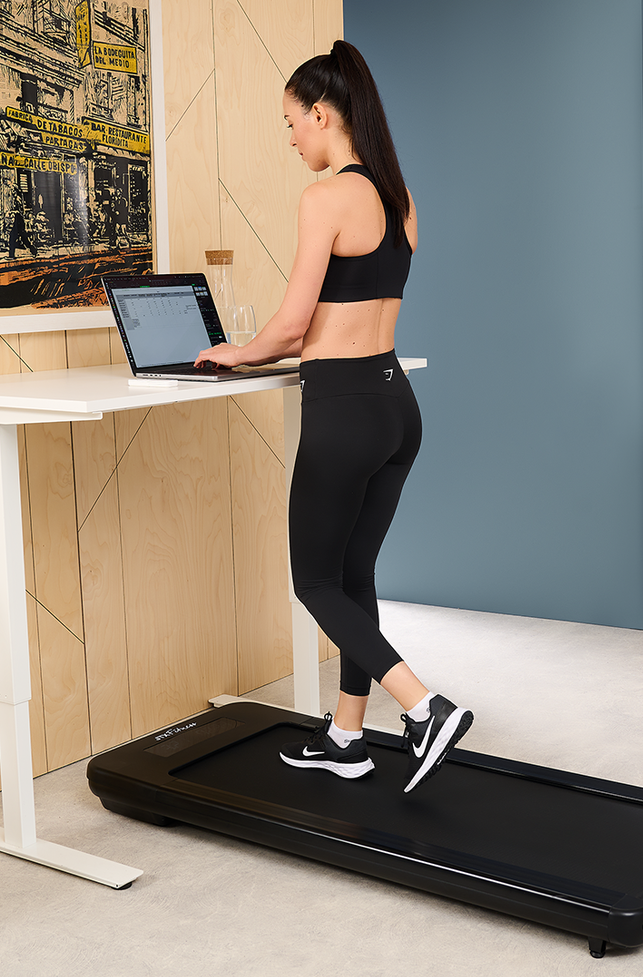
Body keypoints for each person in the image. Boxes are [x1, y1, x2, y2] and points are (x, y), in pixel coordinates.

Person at [196, 40, 472, 794]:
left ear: (322, 114)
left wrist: (237, 351)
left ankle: (422, 709)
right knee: (354, 576)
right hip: (394, 407)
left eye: (292, 123)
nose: (290, 138)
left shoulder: (326, 199)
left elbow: (292, 326)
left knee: (314, 581)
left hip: (345, 408)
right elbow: (355, 308)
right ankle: (347, 735)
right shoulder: (399, 198)